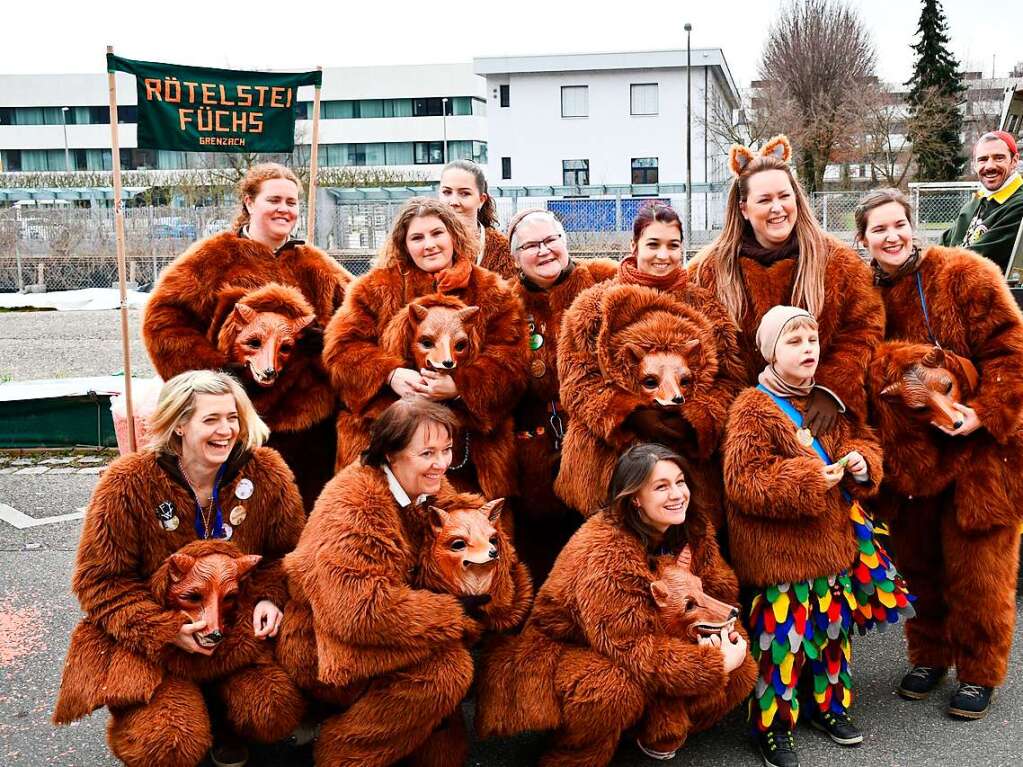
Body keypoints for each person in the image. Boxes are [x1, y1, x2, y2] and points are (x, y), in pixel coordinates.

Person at [54, 370, 306, 767]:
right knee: (166, 743)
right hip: (159, 642)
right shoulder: (127, 483)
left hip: (233, 631)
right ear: (179, 425)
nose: (226, 430)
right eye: (211, 420)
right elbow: (99, 581)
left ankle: (224, 716)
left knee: (272, 712)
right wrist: (164, 630)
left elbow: (289, 555)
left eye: (233, 417)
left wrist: (271, 599)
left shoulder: (266, 472)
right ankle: (163, 708)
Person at [276, 397, 531, 767]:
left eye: (446, 450)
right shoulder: (355, 505)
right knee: (447, 672)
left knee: (442, 750)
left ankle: (397, 732)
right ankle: (347, 751)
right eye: (427, 452)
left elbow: (489, 574)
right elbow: (359, 612)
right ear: (390, 453)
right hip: (324, 641)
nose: (442, 463)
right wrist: (454, 612)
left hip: (397, 629)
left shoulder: (433, 491)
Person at [475, 443, 755, 767]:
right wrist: (711, 665)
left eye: (680, 482)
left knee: (740, 658)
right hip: (568, 650)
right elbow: (631, 648)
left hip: (647, 638)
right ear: (635, 498)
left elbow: (721, 592)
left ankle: (651, 726)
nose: (678, 494)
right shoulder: (606, 551)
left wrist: (722, 639)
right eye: (661, 487)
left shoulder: (691, 526)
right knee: (613, 689)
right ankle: (576, 753)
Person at [857, 187, 1023, 719]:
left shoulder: (963, 274)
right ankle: (930, 655)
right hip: (912, 462)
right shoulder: (863, 296)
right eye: (879, 229)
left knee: (981, 570)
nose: (892, 235)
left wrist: (986, 410)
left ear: (914, 225)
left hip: (979, 456)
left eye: (899, 224)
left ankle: (979, 671)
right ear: (863, 239)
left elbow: (1010, 348)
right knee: (919, 564)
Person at [723, 306, 910, 767]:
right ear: (770, 352)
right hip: (781, 557)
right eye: (794, 342)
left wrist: (863, 462)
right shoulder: (753, 407)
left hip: (833, 548)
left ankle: (829, 708)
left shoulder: (825, 399)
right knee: (781, 642)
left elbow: (857, 440)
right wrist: (809, 480)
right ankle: (772, 727)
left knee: (832, 637)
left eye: (811, 340)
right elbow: (744, 481)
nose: (807, 349)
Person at [143, 162, 351, 511]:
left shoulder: (316, 264)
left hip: (311, 425)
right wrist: (215, 375)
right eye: (274, 199)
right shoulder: (214, 258)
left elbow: (360, 320)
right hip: (238, 422)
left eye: (292, 202)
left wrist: (326, 343)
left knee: (309, 515)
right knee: (243, 517)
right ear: (249, 203)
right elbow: (162, 321)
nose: (284, 209)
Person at [324, 197, 528, 501]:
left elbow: (512, 363)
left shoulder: (492, 292)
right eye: (417, 237)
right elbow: (340, 351)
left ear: (454, 235)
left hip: (469, 458)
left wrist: (459, 386)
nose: (429, 244)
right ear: (403, 244)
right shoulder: (374, 288)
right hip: (387, 448)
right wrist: (390, 374)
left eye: (437, 233)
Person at [555, 202, 745, 528]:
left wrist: (697, 418)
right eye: (653, 244)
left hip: (684, 462)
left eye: (673, 246)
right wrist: (629, 414)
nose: (663, 255)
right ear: (634, 246)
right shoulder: (592, 304)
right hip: (607, 462)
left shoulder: (705, 304)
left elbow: (731, 379)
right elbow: (576, 382)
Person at [690, 135, 882, 429]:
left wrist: (833, 389)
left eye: (784, 196)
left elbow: (864, 328)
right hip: (737, 421)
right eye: (764, 200)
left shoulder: (837, 262)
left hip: (818, 417)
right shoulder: (707, 271)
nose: (777, 208)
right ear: (744, 208)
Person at [502, 208, 617, 582]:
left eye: (551, 240)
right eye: (532, 245)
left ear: (566, 241)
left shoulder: (604, 281)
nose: (545, 251)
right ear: (515, 257)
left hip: (599, 441)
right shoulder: (504, 303)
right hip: (534, 450)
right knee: (544, 559)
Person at [941, 131, 1023, 274]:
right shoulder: (977, 201)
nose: (989, 166)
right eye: (983, 159)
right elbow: (944, 243)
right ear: (974, 165)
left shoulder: (1019, 204)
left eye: (998, 158)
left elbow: (977, 258)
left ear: (1014, 160)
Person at [438, 159, 517, 278]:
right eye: (447, 192)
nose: (453, 202)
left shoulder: (502, 250)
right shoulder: (423, 244)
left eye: (464, 193)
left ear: (481, 200)